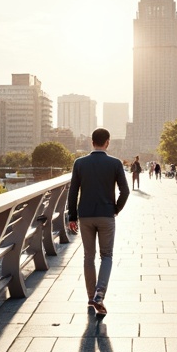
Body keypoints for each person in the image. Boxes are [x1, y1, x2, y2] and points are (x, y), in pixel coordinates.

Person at [67, 128, 130, 317]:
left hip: (85, 215)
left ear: (91, 141)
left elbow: (73, 191)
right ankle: (99, 294)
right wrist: (115, 209)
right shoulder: (115, 163)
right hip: (106, 215)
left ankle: (90, 295)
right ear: (107, 142)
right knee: (107, 256)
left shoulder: (80, 163)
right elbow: (125, 191)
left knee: (88, 256)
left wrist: (72, 216)